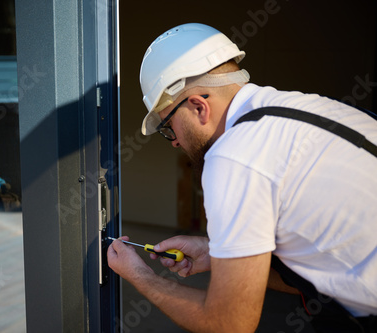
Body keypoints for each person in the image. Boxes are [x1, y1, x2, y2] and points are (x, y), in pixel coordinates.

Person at [107, 23, 377, 332]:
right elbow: (329, 266)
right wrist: (216, 252)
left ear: (198, 107)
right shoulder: (313, 108)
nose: (175, 141)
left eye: (169, 126)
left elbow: (228, 325)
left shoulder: (234, 156)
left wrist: (141, 277)